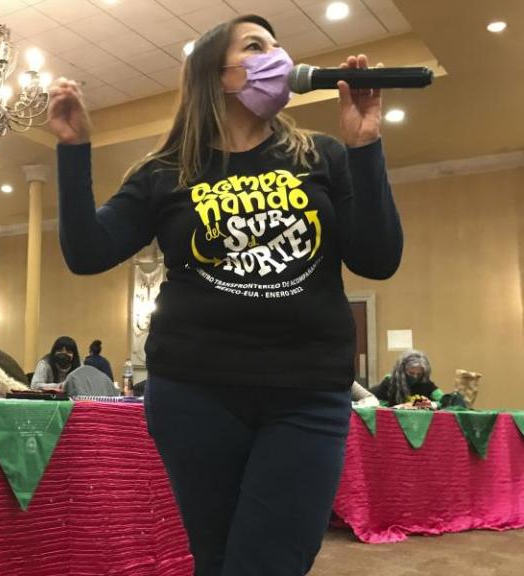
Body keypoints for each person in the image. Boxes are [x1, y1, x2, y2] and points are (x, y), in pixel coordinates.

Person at [47, 14, 402, 576]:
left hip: (306, 392)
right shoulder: (166, 171)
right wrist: (74, 151)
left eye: (279, 47)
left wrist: (365, 145)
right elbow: (87, 253)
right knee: (215, 559)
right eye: (257, 46)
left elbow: (378, 260)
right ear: (216, 74)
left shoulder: (323, 156)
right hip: (193, 392)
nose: (278, 58)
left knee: (273, 557)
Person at [370, 350, 441, 406]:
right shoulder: (390, 382)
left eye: (419, 374)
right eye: (411, 373)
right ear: (402, 370)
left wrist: (420, 404)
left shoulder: (425, 382)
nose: (415, 377)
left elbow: (443, 400)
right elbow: (378, 403)